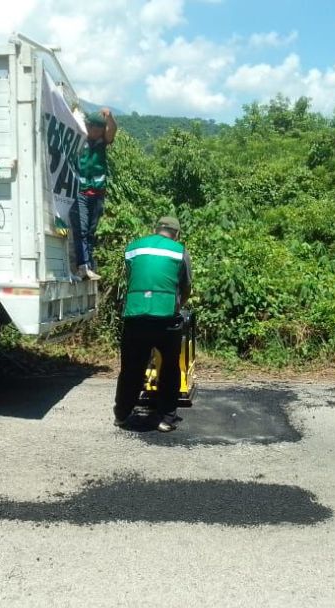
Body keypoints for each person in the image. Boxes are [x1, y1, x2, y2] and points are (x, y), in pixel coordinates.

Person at [113, 216, 193, 433]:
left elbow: (132, 277)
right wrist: (177, 305)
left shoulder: (133, 248)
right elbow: (186, 286)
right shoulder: (179, 251)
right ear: (176, 234)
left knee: (131, 368)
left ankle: (122, 415)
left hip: (135, 316)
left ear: (155, 229)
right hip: (166, 319)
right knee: (169, 367)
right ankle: (166, 418)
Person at [70, 108, 117, 280]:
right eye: (94, 129)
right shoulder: (79, 138)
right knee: (81, 229)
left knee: (91, 231)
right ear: (88, 127)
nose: (97, 133)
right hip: (80, 191)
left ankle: (88, 267)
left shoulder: (102, 141)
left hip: (97, 192)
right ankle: (82, 266)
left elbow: (112, 130)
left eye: (100, 130)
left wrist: (109, 116)